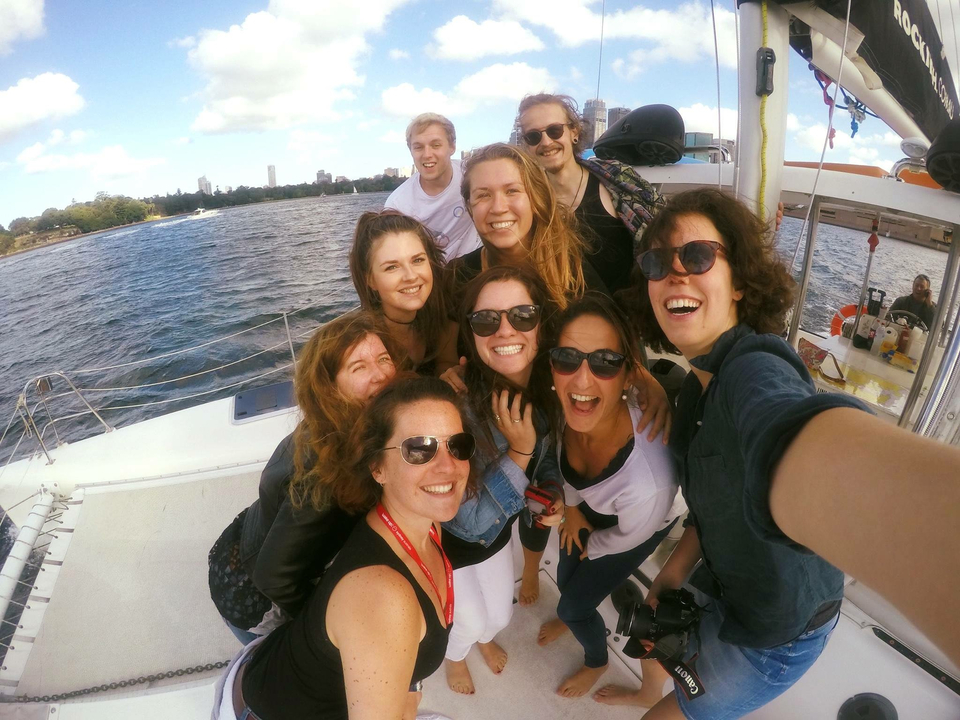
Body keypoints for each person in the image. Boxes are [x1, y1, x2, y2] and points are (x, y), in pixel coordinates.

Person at [595, 188, 960, 717]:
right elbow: (712, 509)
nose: (674, 273)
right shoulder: (696, 387)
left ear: (740, 281)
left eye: (696, 256)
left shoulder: (753, 370)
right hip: (721, 578)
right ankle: (650, 685)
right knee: (659, 647)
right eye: (656, 262)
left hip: (773, 633)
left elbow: (785, 433)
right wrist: (670, 578)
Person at [212, 376, 477, 720]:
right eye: (419, 449)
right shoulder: (384, 597)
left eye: (457, 445)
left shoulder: (424, 522)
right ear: (378, 468)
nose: (448, 466)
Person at [207, 311, 401, 644]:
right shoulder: (325, 476)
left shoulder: (338, 422)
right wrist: (321, 626)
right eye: (359, 367)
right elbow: (273, 578)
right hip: (254, 596)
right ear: (331, 387)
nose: (381, 374)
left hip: (250, 537)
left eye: (384, 359)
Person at [535, 294, 683, 698]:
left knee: (572, 605)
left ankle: (596, 660)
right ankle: (574, 614)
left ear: (628, 375)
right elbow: (566, 467)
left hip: (637, 525)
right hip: (591, 508)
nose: (582, 380)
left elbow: (627, 537)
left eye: (604, 362)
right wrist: (575, 511)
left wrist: (591, 542)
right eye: (567, 357)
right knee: (566, 579)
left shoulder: (646, 481)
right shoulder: (570, 408)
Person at [440, 265, 565, 695]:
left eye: (523, 315)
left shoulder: (547, 390)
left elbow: (545, 462)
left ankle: (483, 639)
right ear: (471, 335)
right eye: (486, 320)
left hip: (494, 539)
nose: (505, 329)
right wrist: (520, 452)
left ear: (541, 324)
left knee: (499, 617)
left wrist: (551, 496)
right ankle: (455, 656)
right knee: (469, 621)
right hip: (445, 545)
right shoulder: (458, 407)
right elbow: (466, 521)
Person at [517, 93, 664, 295]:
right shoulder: (530, 205)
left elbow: (667, 227)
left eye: (554, 130)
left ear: (574, 132)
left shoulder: (617, 178)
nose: (546, 142)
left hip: (637, 314)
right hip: (575, 321)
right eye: (533, 136)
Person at [455, 142, 608, 310]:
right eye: (483, 195)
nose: (498, 208)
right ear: (470, 207)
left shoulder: (573, 269)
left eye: (512, 191)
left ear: (535, 198)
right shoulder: (459, 276)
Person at [349, 210, 458, 374]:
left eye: (418, 260)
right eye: (392, 267)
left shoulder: (440, 318)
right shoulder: (362, 344)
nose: (411, 276)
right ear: (370, 280)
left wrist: (451, 376)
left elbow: (447, 364)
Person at [384, 113, 481, 261]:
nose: (427, 154)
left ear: (452, 146)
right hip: (436, 273)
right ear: (411, 150)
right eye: (418, 147)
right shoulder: (398, 204)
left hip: (479, 259)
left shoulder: (473, 172)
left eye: (436, 145)